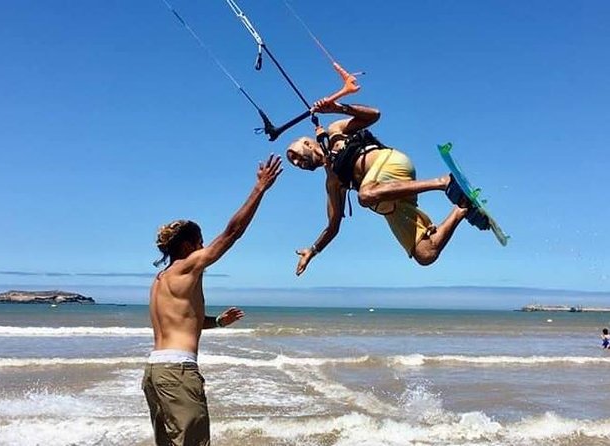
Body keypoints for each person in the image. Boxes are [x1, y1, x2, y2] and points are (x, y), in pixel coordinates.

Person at [142, 154, 282, 446]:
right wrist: (260, 189)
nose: (205, 248)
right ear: (186, 246)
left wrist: (217, 322)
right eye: (201, 243)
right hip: (178, 373)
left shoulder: (160, 282)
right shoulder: (187, 266)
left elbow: (185, 321)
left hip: (155, 372)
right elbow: (232, 233)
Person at [285, 99, 489, 275]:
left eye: (294, 155)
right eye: (293, 163)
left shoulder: (334, 132)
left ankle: (443, 182)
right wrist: (313, 250)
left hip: (391, 164)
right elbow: (333, 226)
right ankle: (461, 209)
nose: (296, 163)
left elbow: (374, 115)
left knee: (365, 195)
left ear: (308, 143)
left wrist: (337, 108)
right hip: (389, 199)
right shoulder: (333, 182)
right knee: (425, 254)